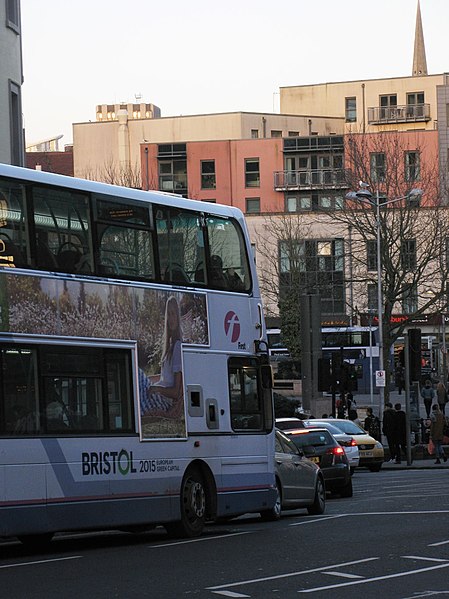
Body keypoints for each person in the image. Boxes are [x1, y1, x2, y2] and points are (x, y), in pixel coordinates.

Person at [140, 296, 184, 417]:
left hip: (165, 401)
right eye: (168, 314)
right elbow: (166, 378)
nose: (171, 318)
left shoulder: (177, 347)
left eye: (173, 314)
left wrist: (157, 389)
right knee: (138, 376)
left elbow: (175, 391)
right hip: (161, 395)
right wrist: (149, 379)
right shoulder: (170, 346)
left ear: (178, 316)